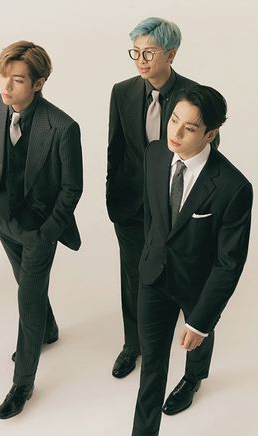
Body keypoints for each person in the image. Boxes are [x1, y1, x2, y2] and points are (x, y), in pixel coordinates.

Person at [132, 85, 252, 435]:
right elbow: (152, 217)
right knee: (152, 369)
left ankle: (195, 376)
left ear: (211, 133)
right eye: (173, 120)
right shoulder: (155, 154)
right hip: (153, 277)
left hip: (198, 286)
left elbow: (229, 262)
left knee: (197, 336)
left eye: (190, 128)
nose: (176, 133)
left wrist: (200, 322)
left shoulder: (234, 187)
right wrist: (148, 257)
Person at [105, 17, 218, 381]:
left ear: (171, 54)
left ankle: (194, 373)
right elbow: (116, 150)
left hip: (178, 208)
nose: (141, 59)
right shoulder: (121, 92)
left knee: (191, 284)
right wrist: (114, 200)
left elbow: (207, 157)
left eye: (149, 52)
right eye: (135, 51)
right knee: (134, 278)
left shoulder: (193, 95)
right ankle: (132, 344)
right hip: (132, 208)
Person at [0, 41, 83, 419]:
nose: (7, 88)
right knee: (25, 283)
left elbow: (73, 188)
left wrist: (47, 232)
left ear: (39, 84)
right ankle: (49, 329)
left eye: (18, 80)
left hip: (39, 229)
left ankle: (22, 384)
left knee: (27, 299)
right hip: (2, 219)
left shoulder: (62, 127)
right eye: (4, 77)